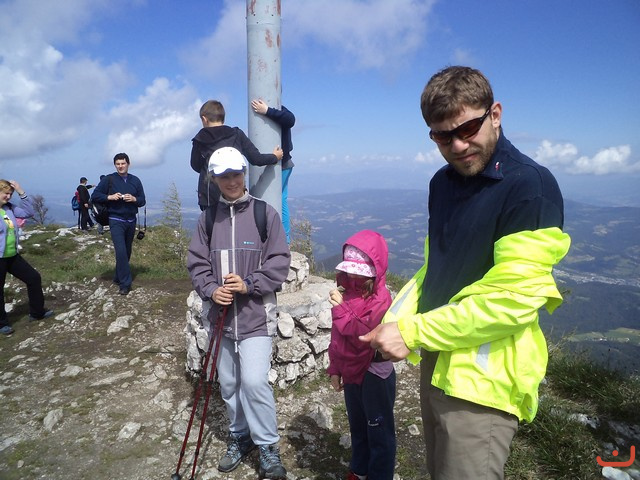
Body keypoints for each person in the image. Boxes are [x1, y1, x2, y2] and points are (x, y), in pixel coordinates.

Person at [360, 66, 571, 479]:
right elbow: (437, 268)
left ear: (496, 114)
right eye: (443, 136)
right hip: (437, 356)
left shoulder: (529, 186)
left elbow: (513, 302)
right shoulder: (442, 183)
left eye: (468, 128)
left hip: (483, 380)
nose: (458, 145)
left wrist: (411, 332)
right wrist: (395, 321)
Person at [187, 147, 290, 479]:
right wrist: (210, 289)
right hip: (220, 319)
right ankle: (240, 436)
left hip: (255, 316)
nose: (231, 181)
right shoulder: (207, 219)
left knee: (255, 382)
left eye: (236, 174)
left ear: (244, 174)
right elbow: (197, 264)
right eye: (224, 176)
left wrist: (249, 284)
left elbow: (279, 262)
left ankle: (267, 446)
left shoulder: (264, 214)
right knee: (229, 383)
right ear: (214, 179)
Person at [327, 230, 396, 480]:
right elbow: (338, 337)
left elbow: (365, 334)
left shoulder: (381, 298)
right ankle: (359, 470)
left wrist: (340, 309)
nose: (354, 275)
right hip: (351, 371)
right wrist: (335, 369)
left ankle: (379, 475)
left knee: (379, 429)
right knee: (357, 425)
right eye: (351, 270)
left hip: (374, 373)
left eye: (360, 271)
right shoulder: (347, 293)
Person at [190, 99, 283, 211]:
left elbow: (195, 165)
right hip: (234, 191)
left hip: (209, 196)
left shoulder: (199, 139)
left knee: (212, 222)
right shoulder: (236, 134)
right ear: (223, 117)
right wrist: (274, 157)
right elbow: (256, 159)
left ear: (204, 119)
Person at [1, 179, 54, 335]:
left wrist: (21, 192)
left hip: (12, 255)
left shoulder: (9, 208)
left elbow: (29, 213)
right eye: (5, 193)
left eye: (10, 194)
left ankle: (37, 313)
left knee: (33, 278)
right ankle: (2, 324)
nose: (8, 197)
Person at [91, 153, 146, 296]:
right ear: (115, 165)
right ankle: (125, 284)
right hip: (115, 220)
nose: (120, 166)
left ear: (128, 164)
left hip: (131, 221)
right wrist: (109, 197)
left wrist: (134, 199)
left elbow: (142, 200)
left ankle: (117, 276)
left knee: (127, 252)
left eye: (123, 163)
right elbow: (94, 196)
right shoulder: (109, 179)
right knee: (121, 251)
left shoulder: (135, 180)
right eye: (118, 164)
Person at [251, 99, 296, 243]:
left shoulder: (280, 110)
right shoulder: (279, 111)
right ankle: (281, 238)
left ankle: (284, 239)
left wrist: (267, 111)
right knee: (280, 199)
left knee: (280, 200)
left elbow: (291, 119)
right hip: (282, 164)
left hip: (282, 164)